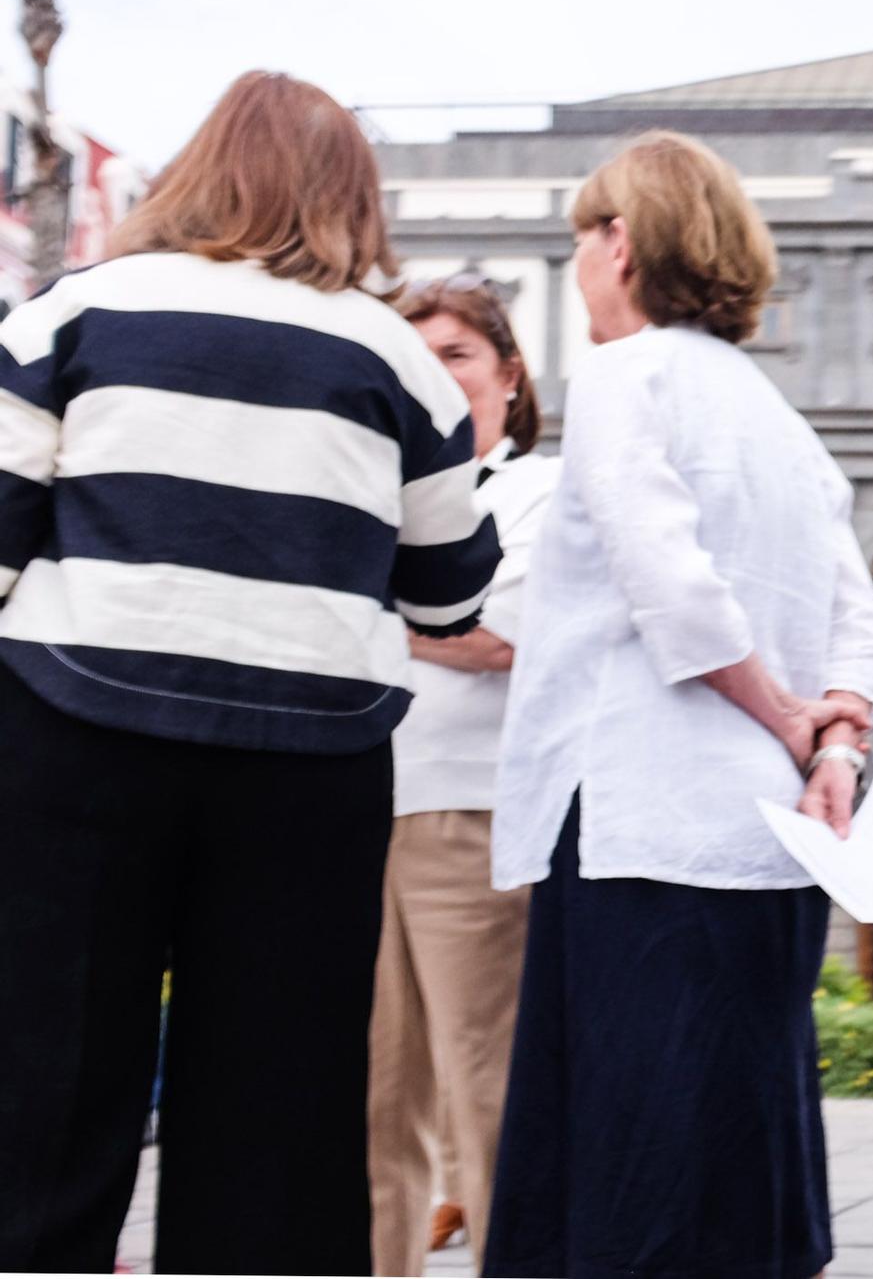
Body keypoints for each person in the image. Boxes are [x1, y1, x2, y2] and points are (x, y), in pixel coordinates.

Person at [0, 72, 501, 1276]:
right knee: (279, 1108)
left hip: (78, 725)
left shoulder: (70, 313)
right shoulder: (401, 360)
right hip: (307, 756)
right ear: (352, 196)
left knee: (46, 1082)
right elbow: (449, 590)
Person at [483, 130, 873, 1279]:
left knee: (622, 1138)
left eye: (580, 241)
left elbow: (662, 577)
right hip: (773, 834)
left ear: (619, 243)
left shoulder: (626, 376)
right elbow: (860, 617)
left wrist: (779, 712)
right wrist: (833, 742)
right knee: (740, 1126)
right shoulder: (779, 416)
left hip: (636, 815)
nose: (576, 269)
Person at [369, 274, 560, 1277]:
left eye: (456, 353)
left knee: (482, 1085)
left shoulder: (537, 487)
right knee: (369, 1098)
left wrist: (355, 598)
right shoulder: (369, 485)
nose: (435, 376)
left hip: (469, 813)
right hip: (355, 810)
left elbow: (495, 635)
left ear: (507, 373)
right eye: (415, 356)